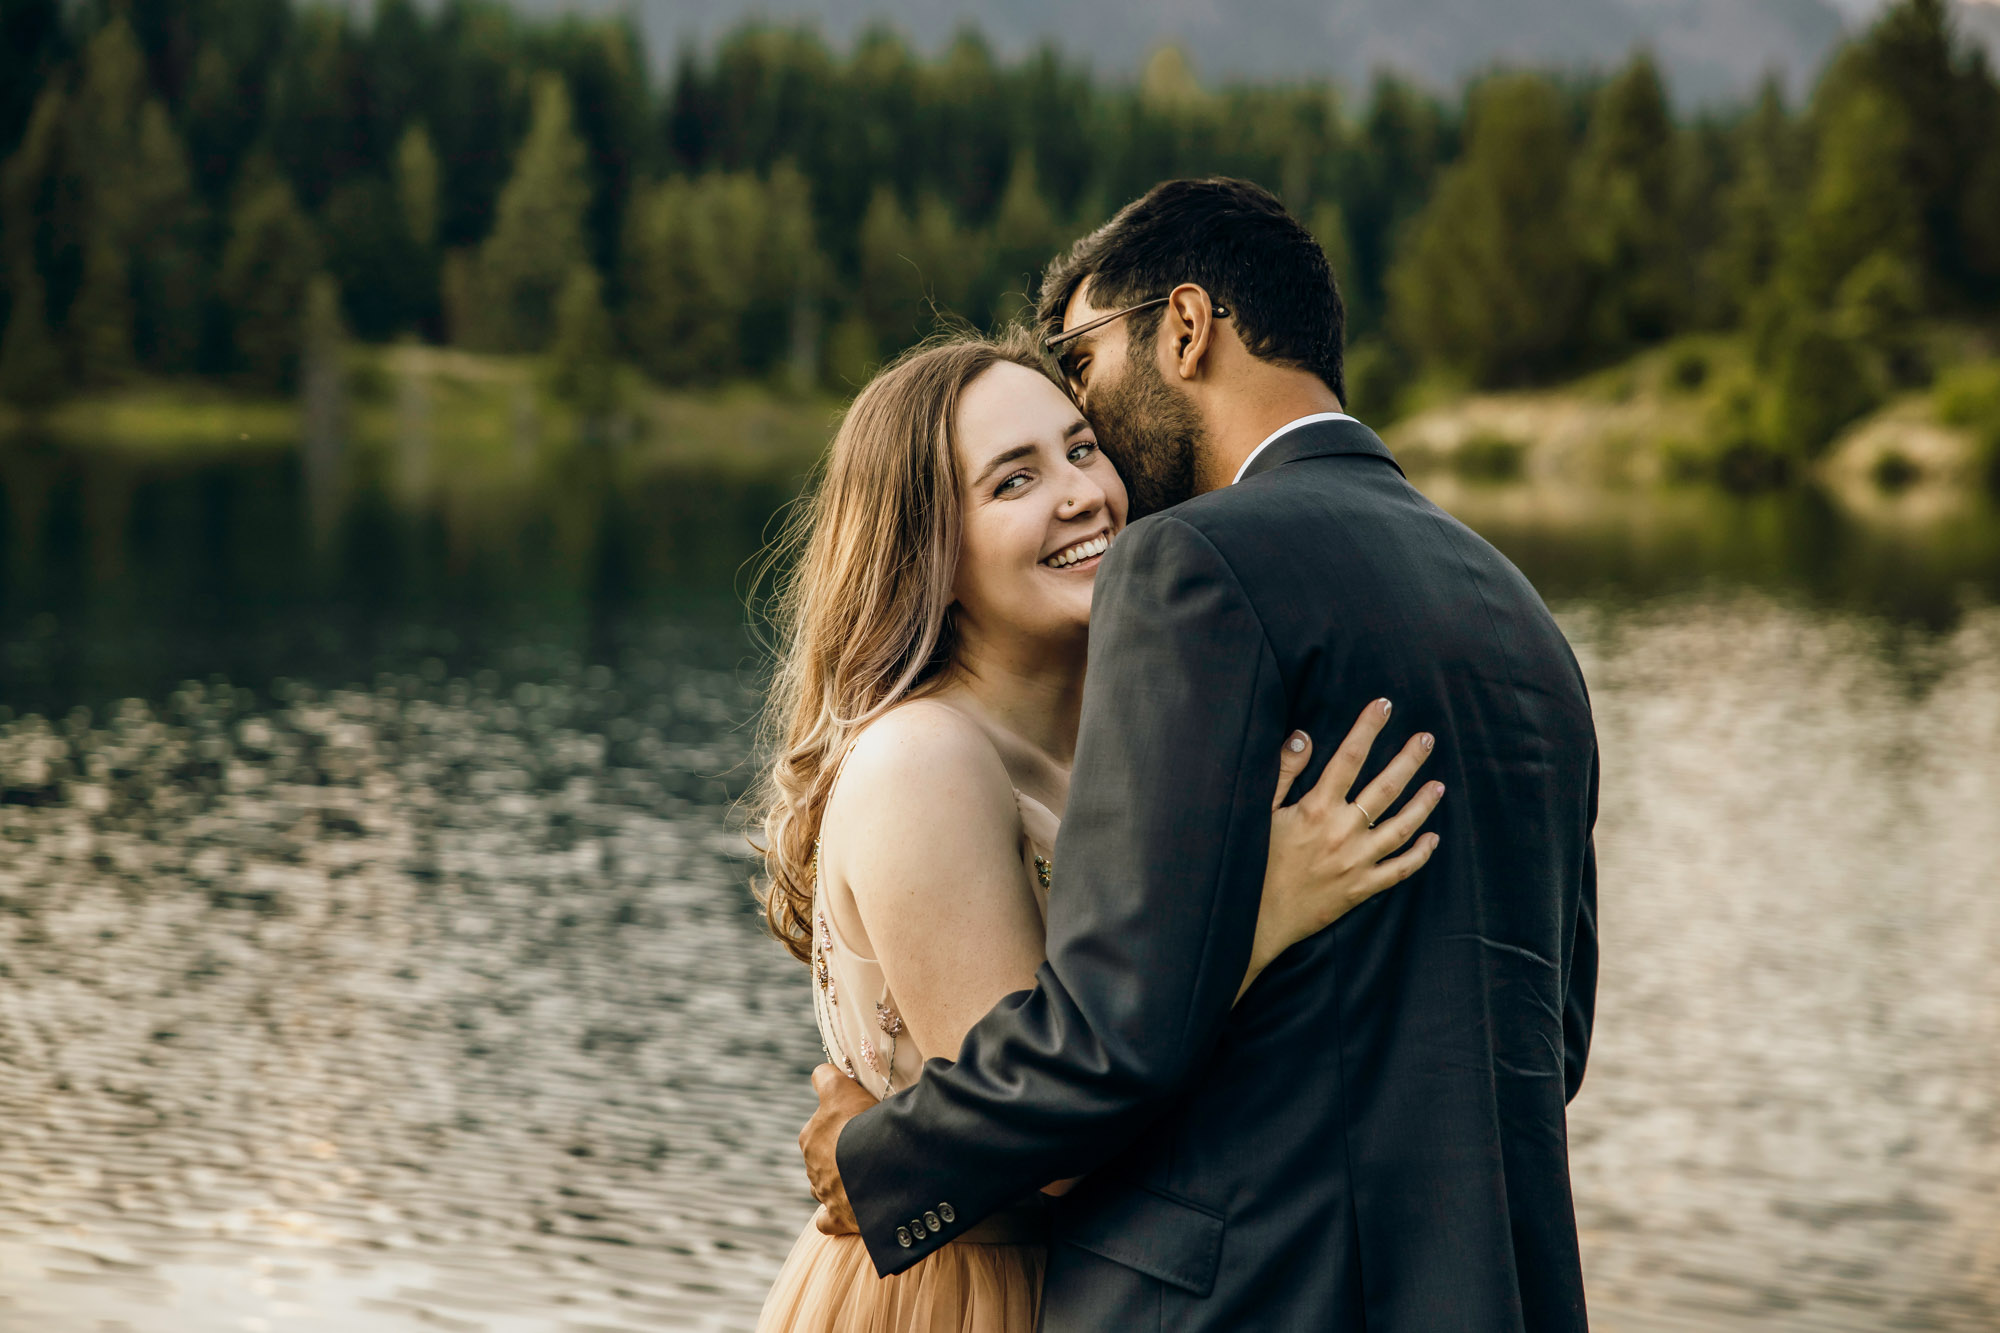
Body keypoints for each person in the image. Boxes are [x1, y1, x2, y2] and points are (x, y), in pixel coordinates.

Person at [799, 178, 1600, 1331]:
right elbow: (1547, 1037)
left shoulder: (1192, 565)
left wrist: (878, 1159)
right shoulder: (1522, 619)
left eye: (1082, 372)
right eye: (1018, 471)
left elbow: (1113, 1033)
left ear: (1183, 327)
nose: (1093, 462)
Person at [751, 328, 1445, 1332]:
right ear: (928, 554)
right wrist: (1256, 915)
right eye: (1012, 480)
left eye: (1081, 449)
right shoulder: (925, 761)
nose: (1081, 493)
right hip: (965, 1297)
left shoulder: (1131, 743)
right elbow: (1045, 1141)